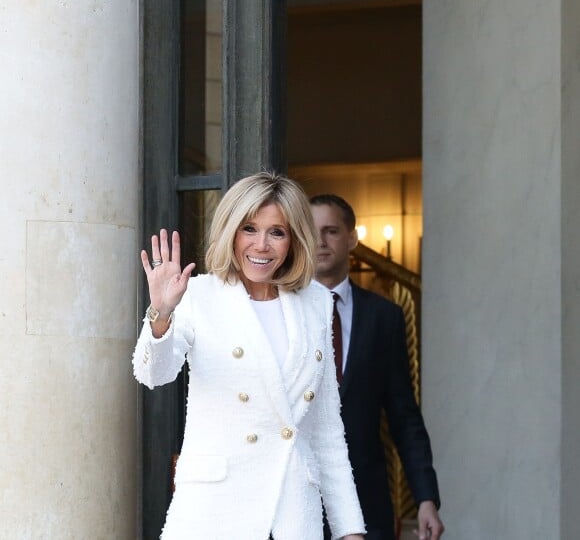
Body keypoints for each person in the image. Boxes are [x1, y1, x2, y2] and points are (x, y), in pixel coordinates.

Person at [133, 173, 366, 540]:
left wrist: (350, 529)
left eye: (277, 232)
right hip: (214, 513)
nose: (262, 245)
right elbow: (153, 374)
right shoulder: (197, 295)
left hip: (294, 516)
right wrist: (161, 314)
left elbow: (326, 430)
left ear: (293, 240)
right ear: (231, 232)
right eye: (249, 229)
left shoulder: (317, 303)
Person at [310, 194, 445, 540]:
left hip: (365, 499)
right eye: (311, 232)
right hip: (298, 498)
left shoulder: (385, 316)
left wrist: (426, 498)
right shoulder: (280, 311)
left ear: (352, 238)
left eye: (331, 231)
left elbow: (404, 416)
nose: (320, 242)